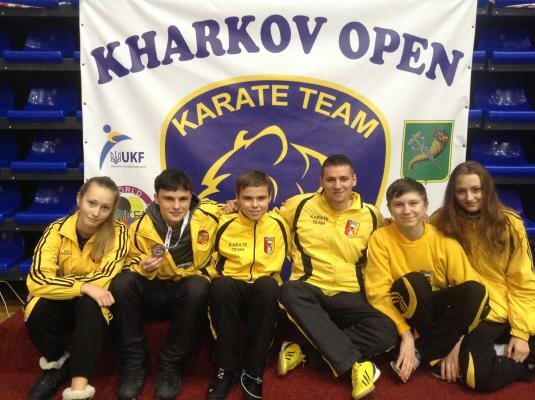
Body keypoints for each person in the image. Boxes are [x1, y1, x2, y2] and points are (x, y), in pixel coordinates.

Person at [277, 154, 397, 400]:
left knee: (387, 331)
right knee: (288, 291)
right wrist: (233, 207)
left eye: (343, 179)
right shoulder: (299, 205)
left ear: (354, 180)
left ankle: (304, 352)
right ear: (321, 181)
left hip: (350, 293)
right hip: (310, 289)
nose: (337, 185)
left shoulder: (371, 215)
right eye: (330, 179)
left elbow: (393, 237)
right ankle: (355, 366)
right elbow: (267, 220)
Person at [110, 169, 222, 400]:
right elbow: (124, 261)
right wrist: (142, 266)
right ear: (156, 198)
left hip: (186, 291)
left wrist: (234, 205)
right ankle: (134, 364)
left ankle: (171, 364)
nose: (177, 206)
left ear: (191, 198)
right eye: (169, 199)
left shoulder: (210, 216)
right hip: (152, 291)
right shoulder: (138, 227)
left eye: (183, 199)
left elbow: (240, 211)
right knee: (122, 284)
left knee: (197, 287)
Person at [364, 177, 489, 384]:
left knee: (477, 291)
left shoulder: (444, 241)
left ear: (425, 206)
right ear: (390, 209)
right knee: (413, 283)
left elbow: (471, 292)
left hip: (434, 311)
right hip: (402, 311)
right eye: (399, 205)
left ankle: (420, 353)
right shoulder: (380, 238)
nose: (407, 210)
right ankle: (429, 348)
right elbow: (377, 292)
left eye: (413, 203)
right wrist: (405, 333)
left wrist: (455, 341)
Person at [430, 161, 535, 391]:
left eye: (476, 189)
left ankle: (509, 350)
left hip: (506, 308)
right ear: (452, 193)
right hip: (470, 311)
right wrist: (451, 340)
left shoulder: (510, 222)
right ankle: (518, 361)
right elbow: (437, 282)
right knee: (475, 375)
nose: (469, 197)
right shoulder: (439, 222)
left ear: (487, 189)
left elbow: (523, 282)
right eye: (461, 191)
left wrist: (521, 334)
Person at [25, 177, 128, 400]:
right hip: (65, 299)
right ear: (79, 198)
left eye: (105, 208)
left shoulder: (119, 233)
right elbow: (36, 279)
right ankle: (57, 363)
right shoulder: (55, 230)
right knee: (35, 307)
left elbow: (105, 279)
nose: (96, 212)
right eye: (91, 203)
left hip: (97, 305)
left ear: (111, 211)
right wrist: (82, 286)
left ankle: (79, 386)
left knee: (91, 304)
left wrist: (58, 285)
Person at [206, 169, 290, 400]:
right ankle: (226, 368)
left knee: (268, 286)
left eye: (261, 198)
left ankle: (254, 371)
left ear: (270, 197)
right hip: (232, 286)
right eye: (247, 198)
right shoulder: (223, 222)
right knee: (221, 286)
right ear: (237, 198)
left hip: (262, 290)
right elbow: (197, 210)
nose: (254, 205)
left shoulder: (280, 224)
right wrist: (222, 208)